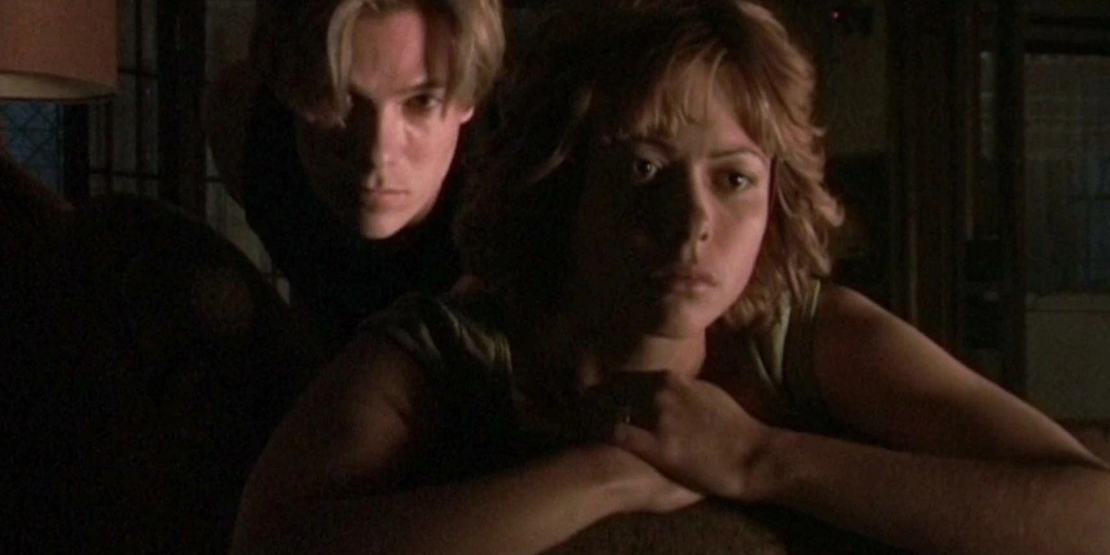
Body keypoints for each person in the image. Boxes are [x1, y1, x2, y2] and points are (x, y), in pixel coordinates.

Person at [228, 1, 1110, 554]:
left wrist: (760, 458)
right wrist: (609, 476)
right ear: (564, 183)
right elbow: (270, 542)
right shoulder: (446, 347)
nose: (691, 223)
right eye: (645, 170)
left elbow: (1092, 512)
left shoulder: (801, 333)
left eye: (734, 179)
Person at [204, 0, 504, 347]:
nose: (377, 152)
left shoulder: (510, 204)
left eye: (421, 101)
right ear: (288, 88)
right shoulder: (247, 133)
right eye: (339, 97)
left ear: (470, 98)